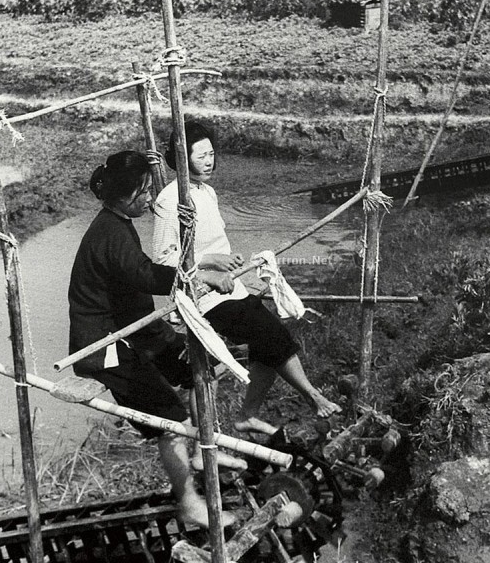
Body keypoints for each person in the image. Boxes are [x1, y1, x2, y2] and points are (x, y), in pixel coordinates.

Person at [68, 150, 235, 527]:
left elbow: (145, 278)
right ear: (125, 196)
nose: (149, 198)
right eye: (144, 192)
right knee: (169, 419)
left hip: (137, 330)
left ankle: (205, 449)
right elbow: (145, 276)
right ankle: (190, 503)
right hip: (106, 347)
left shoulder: (118, 224)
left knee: (200, 363)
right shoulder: (110, 233)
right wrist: (200, 276)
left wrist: (200, 263)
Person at [152, 120, 342, 435]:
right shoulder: (170, 200)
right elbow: (162, 259)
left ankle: (248, 414)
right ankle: (311, 395)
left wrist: (227, 259)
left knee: (271, 341)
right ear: (182, 160)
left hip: (231, 288)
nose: (209, 161)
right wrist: (213, 261)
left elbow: (209, 242)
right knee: (272, 336)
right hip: (201, 296)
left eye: (212, 154)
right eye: (201, 156)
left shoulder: (207, 192)